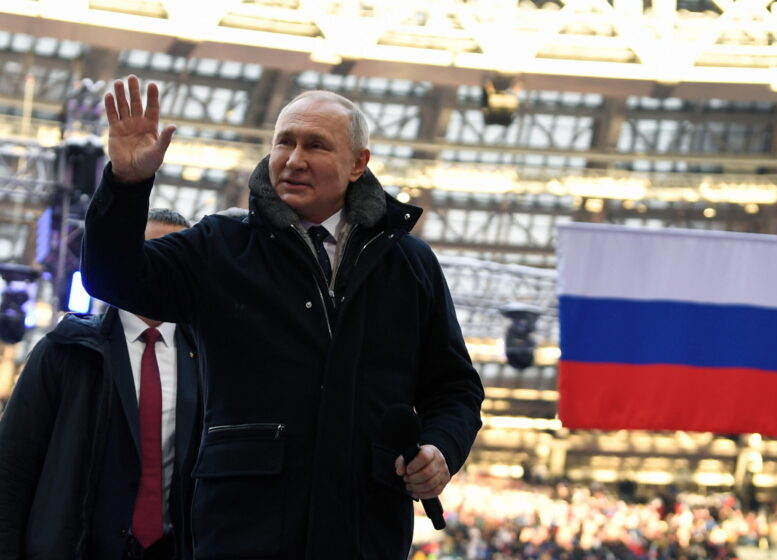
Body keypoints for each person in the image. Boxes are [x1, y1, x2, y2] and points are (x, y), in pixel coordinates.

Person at [80, 74, 484, 559]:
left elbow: (455, 389)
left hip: (364, 534)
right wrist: (126, 184)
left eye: (316, 145)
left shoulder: (410, 265)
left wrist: (441, 448)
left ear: (359, 164)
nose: (294, 159)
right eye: (284, 142)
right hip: (242, 534)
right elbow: (112, 278)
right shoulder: (220, 246)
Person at [0, 209, 202, 560]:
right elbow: (11, 469)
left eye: (174, 257)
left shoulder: (205, 360)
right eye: (149, 254)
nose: (159, 269)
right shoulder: (67, 351)